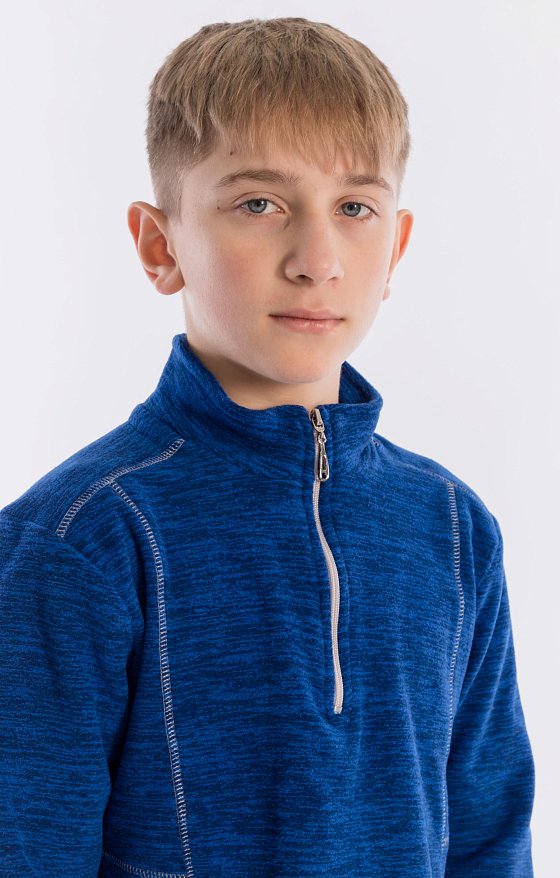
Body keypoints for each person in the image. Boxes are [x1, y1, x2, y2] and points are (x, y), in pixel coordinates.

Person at [0, 16, 535, 878]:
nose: (317, 259)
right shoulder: (82, 538)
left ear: (396, 248)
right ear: (160, 244)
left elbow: (488, 839)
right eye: (260, 204)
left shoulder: (450, 525)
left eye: (355, 208)